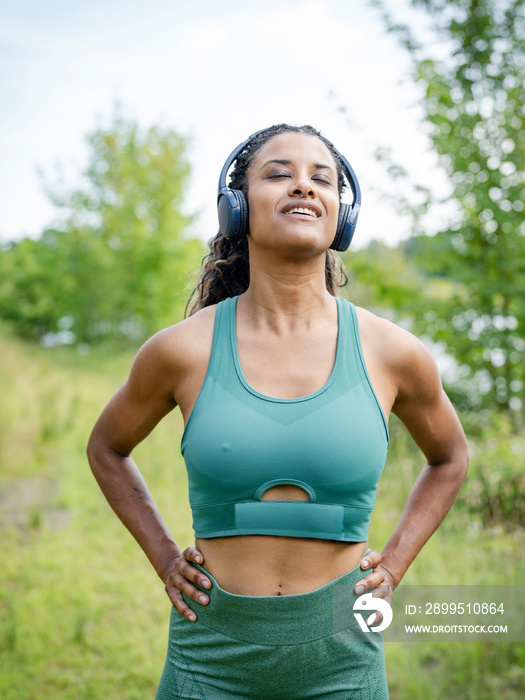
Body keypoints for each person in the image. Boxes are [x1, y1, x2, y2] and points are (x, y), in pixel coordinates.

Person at [87, 123, 469, 699]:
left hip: (345, 658)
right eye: (278, 174)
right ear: (236, 208)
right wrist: (166, 557)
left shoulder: (393, 352)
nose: (303, 187)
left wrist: (393, 565)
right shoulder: (181, 350)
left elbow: (451, 457)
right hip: (208, 658)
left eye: (322, 179)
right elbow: (107, 448)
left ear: (343, 215)